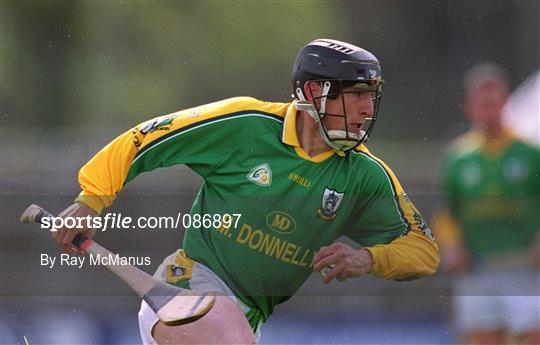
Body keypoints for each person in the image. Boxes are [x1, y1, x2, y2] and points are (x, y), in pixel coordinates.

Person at [52, 39, 440, 344]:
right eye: (356, 94)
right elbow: (146, 138)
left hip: (248, 321)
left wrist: (369, 259)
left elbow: (424, 250)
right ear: (313, 90)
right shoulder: (246, 125)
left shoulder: (365, 174)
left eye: (371, 96)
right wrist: (91, 199)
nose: (367, 109)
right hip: (188, 287)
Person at [433, 62, 540, 345]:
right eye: (482, 103)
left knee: (529, 336)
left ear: (505, 103)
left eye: (493, 103)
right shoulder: (459, 157)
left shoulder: (529, 153)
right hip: (477, 271)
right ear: (468, 107)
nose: (488, 110)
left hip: (524, 270)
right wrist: (453, 247)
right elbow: (447, 214)